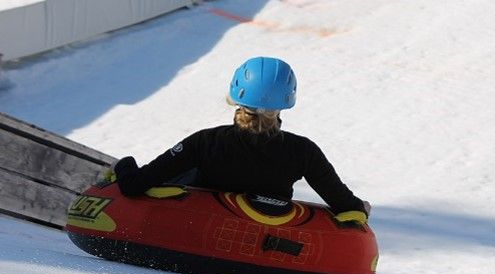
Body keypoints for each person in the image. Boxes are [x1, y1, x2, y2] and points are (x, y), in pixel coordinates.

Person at [112, 56, 371, 221]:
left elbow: (134, 186)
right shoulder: (303, 152)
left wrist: (123, 166)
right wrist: (361, 207)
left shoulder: (205, 142)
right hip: (264, 233)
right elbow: (347, 206)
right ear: (287, 99)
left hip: (196, 225)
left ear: (237, 95)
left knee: (183, 173)